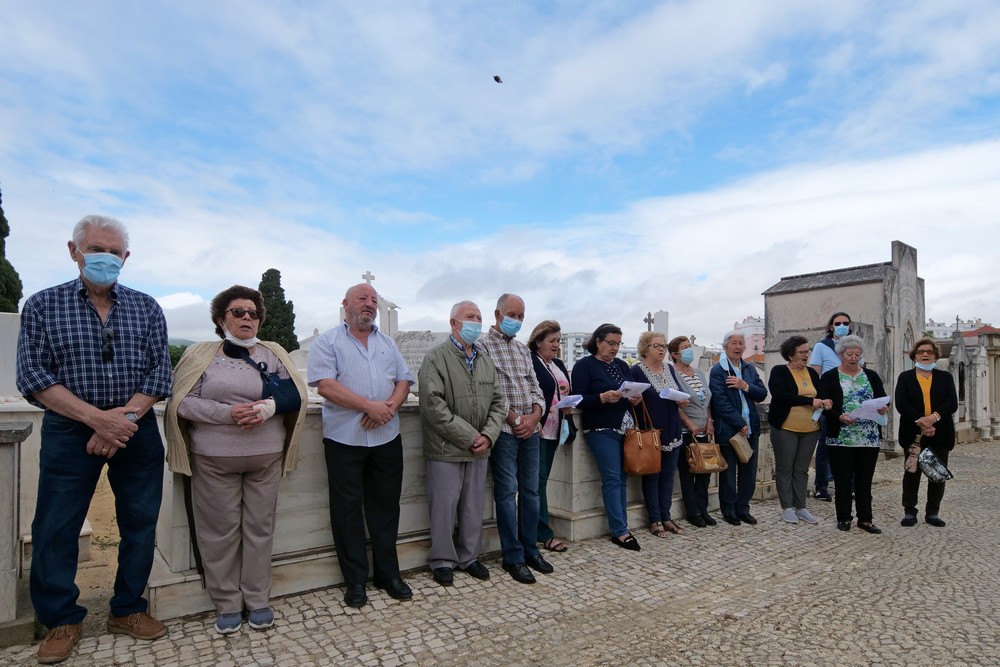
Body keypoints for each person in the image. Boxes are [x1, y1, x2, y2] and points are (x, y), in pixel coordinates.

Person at [16, 215, 172, 664]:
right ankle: (61, 618)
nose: (105, 257)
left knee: (141, 523)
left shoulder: (146, 307)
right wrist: (95, 420)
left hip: (135, 429)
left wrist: (119, 420)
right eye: (96, 248)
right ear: (74, 251)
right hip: (69, 429)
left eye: (114, 251)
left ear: (126, 258)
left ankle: (127, 608)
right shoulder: (44, 305)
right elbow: (34, 375)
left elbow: (158, 372)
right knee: (56, 525)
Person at [165, 285, 308, 633]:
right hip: (214, 459)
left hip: (265, 457)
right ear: (220, 318)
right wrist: (228, 414)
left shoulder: (273, 353)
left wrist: (269, 407)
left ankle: (258, 599)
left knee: (260, 529)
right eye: (238, 312)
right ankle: (227, 602)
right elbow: (181, 402)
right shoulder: (201, 354)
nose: (247, 318)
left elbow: (296, 395)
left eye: (253, 313)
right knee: (219, 532)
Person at [307, 283, 415, 608]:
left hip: (386, 438)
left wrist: (388, 408)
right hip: (344, 441)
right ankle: (355, 581)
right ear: (346, 305)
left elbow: (404, 380)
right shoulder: (327, 341)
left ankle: (388, 575)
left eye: (373, 300)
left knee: (386, 508)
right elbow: (325, 385)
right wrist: (368, 406)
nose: (369, 304)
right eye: (362, 299)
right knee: (347, 513)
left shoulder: (387, 343)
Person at [419, 301, 506, 586]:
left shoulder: (484, 359)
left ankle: (470, 557)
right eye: (470, 317)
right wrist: (470, 437)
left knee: (473, 507)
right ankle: (442, 560)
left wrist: (489, 435)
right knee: (444, 507)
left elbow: (498, 402)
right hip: (446, 449)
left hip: (480, 449)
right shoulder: (436, 358)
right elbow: (434, 406)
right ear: (454, 323)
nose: (476, 323)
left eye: (479, 318)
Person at [476, 294, 551, 584]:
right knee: (507, 494)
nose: (516, 321)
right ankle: (513, 556)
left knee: (531, 492)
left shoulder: (522, 349)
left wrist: (533, 417)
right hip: (505, 432)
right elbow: (488, 391)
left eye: (521, 316)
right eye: (512, 314)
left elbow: (536, 388)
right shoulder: (481, 347)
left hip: (530, 430)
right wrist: (514, 419)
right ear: (497, 313)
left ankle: (531, 549)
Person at [571, 323, 643, 551]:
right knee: (612, 478)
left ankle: (622, 525)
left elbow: (630, 390)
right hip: (600, 429)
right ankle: (620, 531)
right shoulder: (584, 365)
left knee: (621, 478)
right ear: (598, 341)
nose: (615, 348)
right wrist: (601, 397)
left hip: (625, 428)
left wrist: (634, 398)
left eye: (618, 344)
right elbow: (577, 399)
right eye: (611, 343)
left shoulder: (622, 365)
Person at [818, 335, 890, 534]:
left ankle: (865, 519)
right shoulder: (830, 377)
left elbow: (882, 398)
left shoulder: (871, 376)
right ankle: (844, 518)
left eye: (857, 354)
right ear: (841, 355)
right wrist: (838, 417)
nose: (853, 358)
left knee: (864, 480)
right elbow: (824, 405)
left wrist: (884, 408)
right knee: (842, 480)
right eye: (850, 354)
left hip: (868, 437)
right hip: (841, 436)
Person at [767, 336, 830, 525]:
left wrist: (826, 401)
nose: (806, 355)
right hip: (786, 427)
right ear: (790, 354)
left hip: (810, 428)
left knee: (802, 469)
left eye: (807, 351)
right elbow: (780, 396)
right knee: (785, 468)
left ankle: (801, 507)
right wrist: (809, 401)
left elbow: (820, 394)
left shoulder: (811, 373)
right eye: (802, 352)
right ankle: (787, 507)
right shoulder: (779, 371)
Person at [895, 338, 958, 528]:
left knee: (937, 473)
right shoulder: (905, 377)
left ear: (935, 355)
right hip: (914, 434)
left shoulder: (945, 377)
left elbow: (951, 403)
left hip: (940, 432)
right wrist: (923, 422)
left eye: (929, 352)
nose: (925, 354)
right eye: (921, 351)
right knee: (912, 472)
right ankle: (909, 511)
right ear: (914, 355)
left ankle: (933, 512)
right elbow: (901, 404)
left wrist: (934, 418)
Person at [630, 332, 687, 537]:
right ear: (645, 349)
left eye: (663, 346)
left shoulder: (669, 368)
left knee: (668, 477)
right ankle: (654, 519)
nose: (662, 350)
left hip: (673, 429)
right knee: (652, 476)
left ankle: (666, 516)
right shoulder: (636, 371)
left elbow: (678, 392)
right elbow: (632, 398)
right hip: (651, 431)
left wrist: (682, 400)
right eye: (657, 346)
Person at [709, 331, 768, 526]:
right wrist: (739, 423)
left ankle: (743, 508)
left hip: (751, 428)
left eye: (741, 343)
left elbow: (761, 393)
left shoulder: (749, 369)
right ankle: (729, 509)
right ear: (726, 346)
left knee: (749, 472)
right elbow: (720, 402)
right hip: (729, 429)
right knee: (729, 472)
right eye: (734, 343)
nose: (738, 347)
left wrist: (745, 386)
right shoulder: (719, 370)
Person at [528, 320, 574, 553]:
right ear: (538, 341)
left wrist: (568, 404)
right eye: (551, 341)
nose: (556, 345)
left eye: (558, 340)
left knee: (542, 480)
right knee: (537, 482)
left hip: (556, 430)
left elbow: (565, 390)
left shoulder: (558, 364)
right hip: (538, 430)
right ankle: (543, 533)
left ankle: (538, 528)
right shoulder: (531, 361)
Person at [668, 336, 716, 528]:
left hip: (705, 428)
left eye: (690, 347)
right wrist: (689, 424)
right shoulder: (673, 374)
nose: (689, 350)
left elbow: (707, 400)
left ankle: (703, 508)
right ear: (675, 354)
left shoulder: (698, 373)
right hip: (686, 431)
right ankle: (692, 511)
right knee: (688, 473)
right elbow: (674, 402)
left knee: (705, 471)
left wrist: (710, 420)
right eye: (685, 348)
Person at [808, 312, 856, 501]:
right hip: (830, 404)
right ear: (831, 326)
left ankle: (850, 487)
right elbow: (815, 375)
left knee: (851, 446)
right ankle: (821, 487)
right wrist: (819, 400)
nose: (842, 325)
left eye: (845, 323)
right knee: (825, 446)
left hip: (852, 402)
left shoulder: (855, 347)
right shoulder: (822, 347)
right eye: (838, 323)